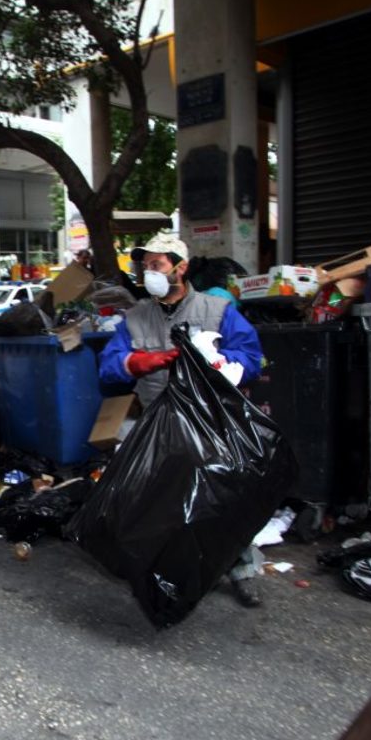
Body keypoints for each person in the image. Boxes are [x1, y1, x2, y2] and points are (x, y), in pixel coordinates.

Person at [97, 236, 267, 608]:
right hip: (159, 423)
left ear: (181, 267)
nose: (148, 273)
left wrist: (225, 364)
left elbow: (251, 355)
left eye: (156, 265)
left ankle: (241, 570)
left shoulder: (217, 310)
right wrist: (133, 363)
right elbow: (109, 368)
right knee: (159, 501)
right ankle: (164, 571)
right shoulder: (136, 317)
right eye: (145, 267)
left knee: (223, 499)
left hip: (211, 422)